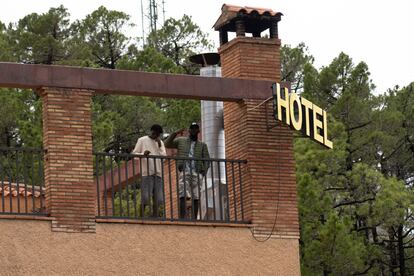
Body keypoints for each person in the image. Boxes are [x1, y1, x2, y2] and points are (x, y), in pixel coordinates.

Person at [164, 122, 210, 219]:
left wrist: (203, 172)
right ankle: (182, 218)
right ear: (189, 130)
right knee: (183, 193)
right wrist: (175, 133)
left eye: (195, 129)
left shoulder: (202, 145)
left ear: (198, 131)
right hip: (184, 170)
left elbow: (207, 159)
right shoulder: (181, 140)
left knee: (196, 195)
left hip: (197, 172)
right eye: (192, 128)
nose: (193, 130)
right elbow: (167, 144)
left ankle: (194, 219)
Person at [132, 124, 166, 217]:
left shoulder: (160, 142)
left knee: (159, 199)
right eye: (155, 133)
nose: (156, 135)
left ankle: (155, 217)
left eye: (158, 134)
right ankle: (141, 216)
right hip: (146, 173)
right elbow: (134, 154)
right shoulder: (142, 140)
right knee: (146, 198)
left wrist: (159, 145)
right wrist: (143, 154)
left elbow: (164, 157)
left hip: (158, 173)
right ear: (151, 131)